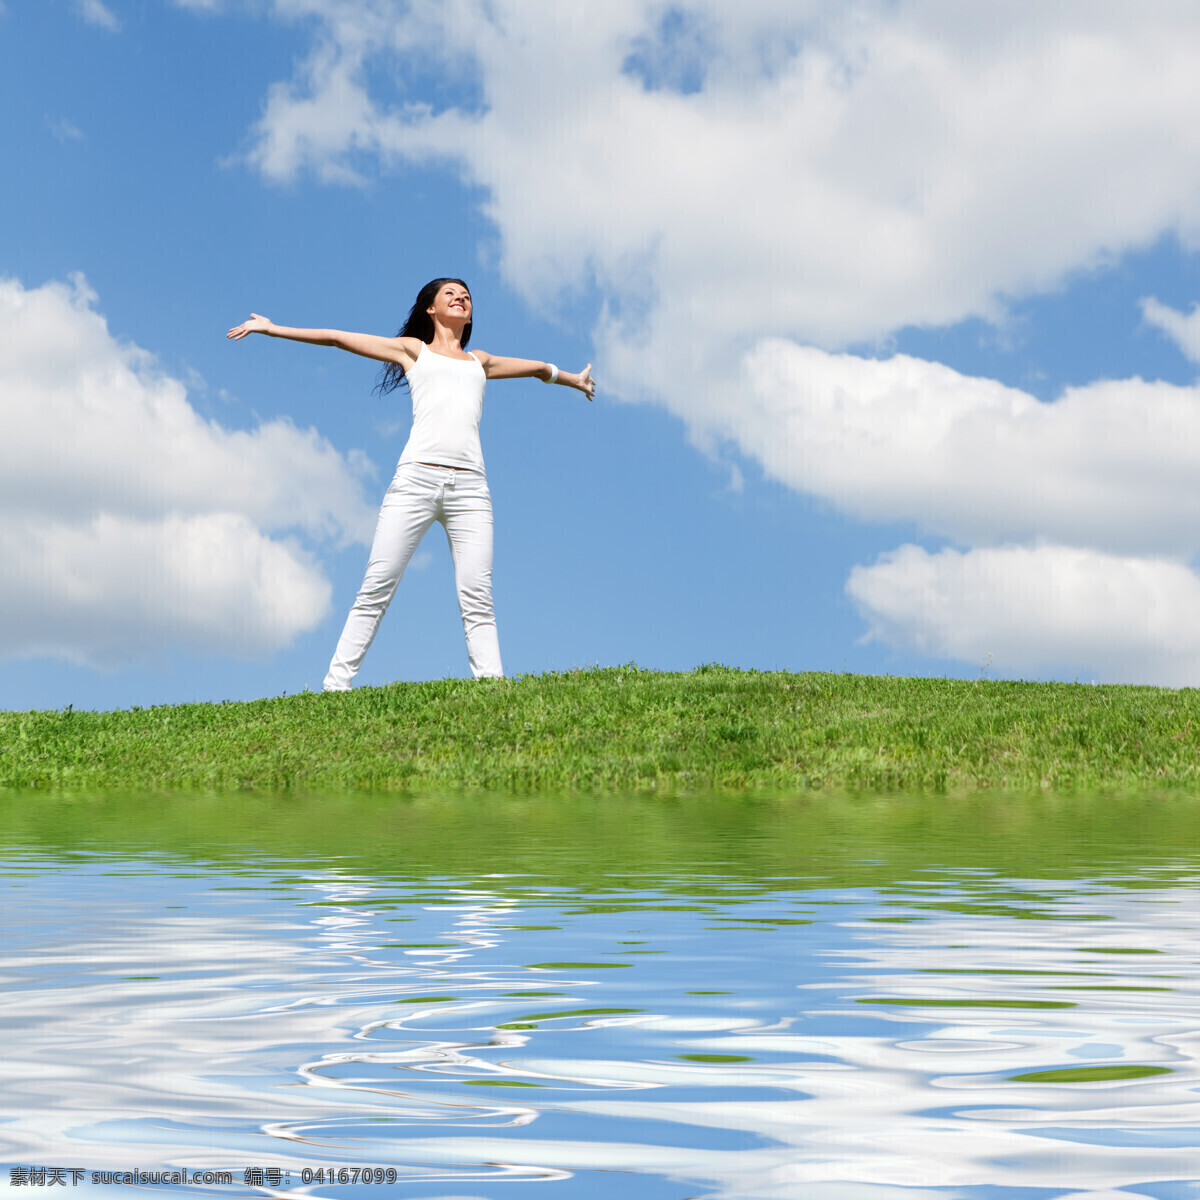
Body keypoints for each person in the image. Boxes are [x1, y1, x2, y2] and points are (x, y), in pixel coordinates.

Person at [227, 277, 595, 691]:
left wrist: (571, 378)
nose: (461, 299)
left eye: (466, 296)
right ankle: (335, 686)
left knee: (478, 593)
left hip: (471, 490)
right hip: (416, 481)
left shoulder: (480, 362)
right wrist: (273, 328)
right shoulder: (413, 351)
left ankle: (492, 689)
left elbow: (536, 369)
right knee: (377, 584)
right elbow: (336, 338)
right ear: (430, 310)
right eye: (450, 294)